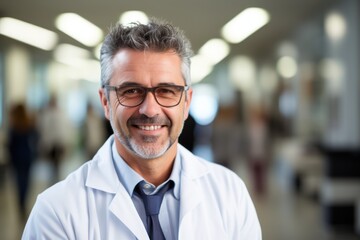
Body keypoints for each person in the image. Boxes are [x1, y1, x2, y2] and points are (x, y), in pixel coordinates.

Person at [22, 18, 261, 239]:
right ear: (106, 102)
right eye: (131, 91)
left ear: (187, 102)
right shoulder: (56, 212)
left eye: (166, 91)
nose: (149, 109)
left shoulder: (231, 194)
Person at [7, 103, 38, 220]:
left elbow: (11, 145)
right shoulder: (28, 124)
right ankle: (23, 202)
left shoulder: (14, 126)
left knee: (20, 182)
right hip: (27, 157)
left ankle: (21, 204)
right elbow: (35, 138)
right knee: (26, 181)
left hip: (17, 159)